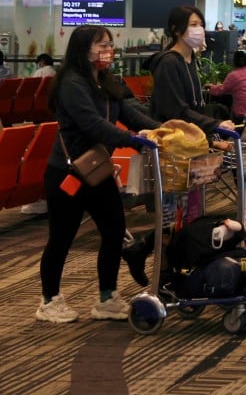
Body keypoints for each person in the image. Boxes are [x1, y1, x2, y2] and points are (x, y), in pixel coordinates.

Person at [36, 25, 161, 323]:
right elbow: (92, 125)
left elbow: (130, 114)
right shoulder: (71, 82)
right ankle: (49, 300)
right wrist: (134, 141)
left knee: (114, 230)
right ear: (83, 49)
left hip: (98, 170)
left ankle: (107, 297)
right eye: (100, 44)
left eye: (108, 42)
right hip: (67, 173)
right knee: (61, 238)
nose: (107, 48)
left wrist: (157, 130)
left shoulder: (107, 81)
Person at [145, 5, 235, 136]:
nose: (199, 29)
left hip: (189, 138)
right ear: (176, 30)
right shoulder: (168, 62)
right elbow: (175, 110)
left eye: (201, 25)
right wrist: (215, 124)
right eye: (193, 24)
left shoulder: (191, 60)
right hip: (171, 141)